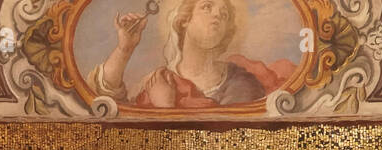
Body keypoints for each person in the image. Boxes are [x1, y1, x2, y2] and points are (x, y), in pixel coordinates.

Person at [89, 0, 294, 109]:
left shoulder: (243, 82)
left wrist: (166, 109)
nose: (217, 15)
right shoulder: (159, 80)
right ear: (184, 19)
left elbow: (225, 142)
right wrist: (124, 49)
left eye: (224, 15)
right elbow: (105, 105)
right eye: (207, 6)